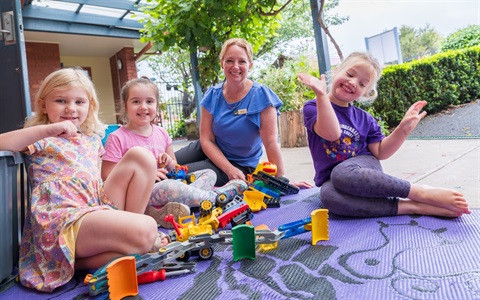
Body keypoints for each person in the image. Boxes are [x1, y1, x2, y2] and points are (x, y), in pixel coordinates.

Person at [0, 68, 171, 292]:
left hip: (93, 208)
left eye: (79, 102)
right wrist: (49, 129)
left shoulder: (90, 139)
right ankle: (70, 260)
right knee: (148, 229)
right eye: (61, 101)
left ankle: (130, 239)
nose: (71, 109)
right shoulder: (41, 138)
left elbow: (102, 182)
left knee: (141, 156)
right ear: (43, 105)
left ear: (89, 106)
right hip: (65, 221)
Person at [297, 51, 470, 218]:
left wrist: (403, 129)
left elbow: (381, 152)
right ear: (336, 71)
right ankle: (411, 206)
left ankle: (420, 192)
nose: (353, 82)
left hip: (362, 168)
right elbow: (332, 133)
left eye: (363, 84)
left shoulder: (365, 118)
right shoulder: (313, 107)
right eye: (350, 74)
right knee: (328, 197)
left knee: (341, 173)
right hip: (333, 179)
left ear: (365, 92)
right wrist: (321, 95)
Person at [101, 77, 248, 229]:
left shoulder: (161, 133)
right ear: (125, 106)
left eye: (149, 101)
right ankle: (213, 198)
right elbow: (108, 176)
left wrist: (169, 162)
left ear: (157, 106)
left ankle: (170, 207)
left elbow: (175, 167)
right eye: (136, 101)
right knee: (172, 188)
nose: (143, 107)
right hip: (142, 193)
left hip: (168, 184)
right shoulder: (117, 137)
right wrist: (147, 175)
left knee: (209, 173)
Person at [175, 37, 313, 188]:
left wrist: (281, 182)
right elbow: (206, 139)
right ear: (222, 63)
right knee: (165, 164)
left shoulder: (261, 96)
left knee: (178, 179)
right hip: (208, 148)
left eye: (241, 61)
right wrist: (227, 168)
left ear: (250, 65)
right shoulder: (212, 95)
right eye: (229, 61)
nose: (235, 66)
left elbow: (271, 143)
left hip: (239, 164)